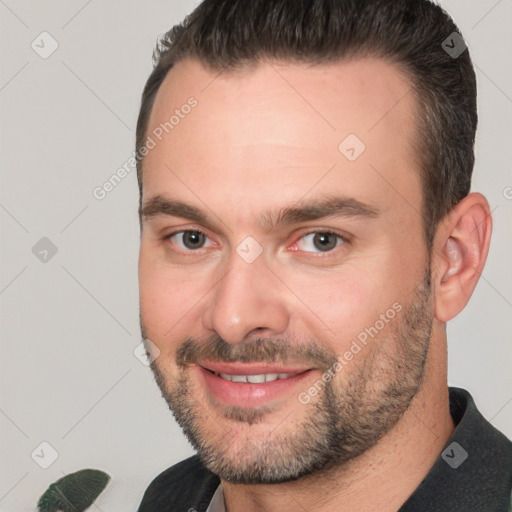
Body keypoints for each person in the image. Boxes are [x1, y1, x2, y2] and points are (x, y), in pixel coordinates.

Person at [135, 0, 512, 510]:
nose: (233, 317)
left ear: (453, 260)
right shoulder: (169, 498)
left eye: (320, 241)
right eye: (192, 238)